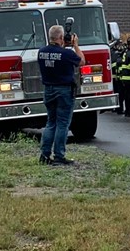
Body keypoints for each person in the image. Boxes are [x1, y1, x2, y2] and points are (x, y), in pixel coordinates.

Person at [37, 25, 84, 166]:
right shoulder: (66, 54)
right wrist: (75, 45)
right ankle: (59, 156)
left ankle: (44, 155)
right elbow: (82, 61)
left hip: (48, 90)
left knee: (51, 123)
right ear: (61, 38)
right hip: (64, 91)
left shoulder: (41, 52)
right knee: (62, 124)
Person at [109, 38, 126, 114]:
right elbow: (114, 64)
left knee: (119, 93)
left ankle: (117, 108)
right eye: (119, 44)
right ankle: (118, 108)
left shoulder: (117, 52)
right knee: (117, 93)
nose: (120, 46)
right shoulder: (114, 53)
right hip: (114, 76)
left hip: (116, 76)